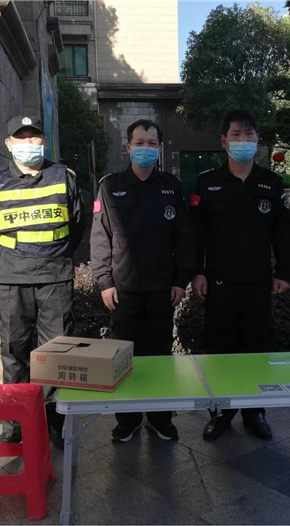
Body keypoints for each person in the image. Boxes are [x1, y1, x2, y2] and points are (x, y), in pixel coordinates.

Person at [0, 115, 84, 449]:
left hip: (54, 276)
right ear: (8, 144)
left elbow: (76, 225)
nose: (28, 144)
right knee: (14, 350)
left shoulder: (64, 177)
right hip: (12, 278)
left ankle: (56, 420)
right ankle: (14, 423)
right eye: (20, 138)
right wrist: (16, 257)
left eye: (34, 137)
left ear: (44, 141)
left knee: (56, 352)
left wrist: (53, 255)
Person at [190, 109, 290, 441]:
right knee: (220, 350)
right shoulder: (208, 183)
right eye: (236, 135)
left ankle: (255, 412)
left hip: (258, 284)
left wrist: (285, 272)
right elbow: (196, 233)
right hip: (218, 284)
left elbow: (283, 233)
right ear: (224, 141)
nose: (243, 141)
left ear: (257, 140)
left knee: (257, 350)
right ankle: (221, 412)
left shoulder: (271, 183)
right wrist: (196, 272)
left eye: (249, 135)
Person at [91, 119, 194, 442]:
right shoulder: (110, 186)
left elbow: (184, 238)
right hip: (123, 291)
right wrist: (104, 281)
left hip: (162, 289)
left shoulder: (171, 187)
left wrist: (181, 280)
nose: (145, 149)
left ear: (159, 148)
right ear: (128, 147)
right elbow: (100, 237)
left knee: (160, 356)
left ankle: (161, 418)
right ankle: (128, 419)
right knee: (125, 357)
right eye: (139, 143)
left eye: (151, 143)